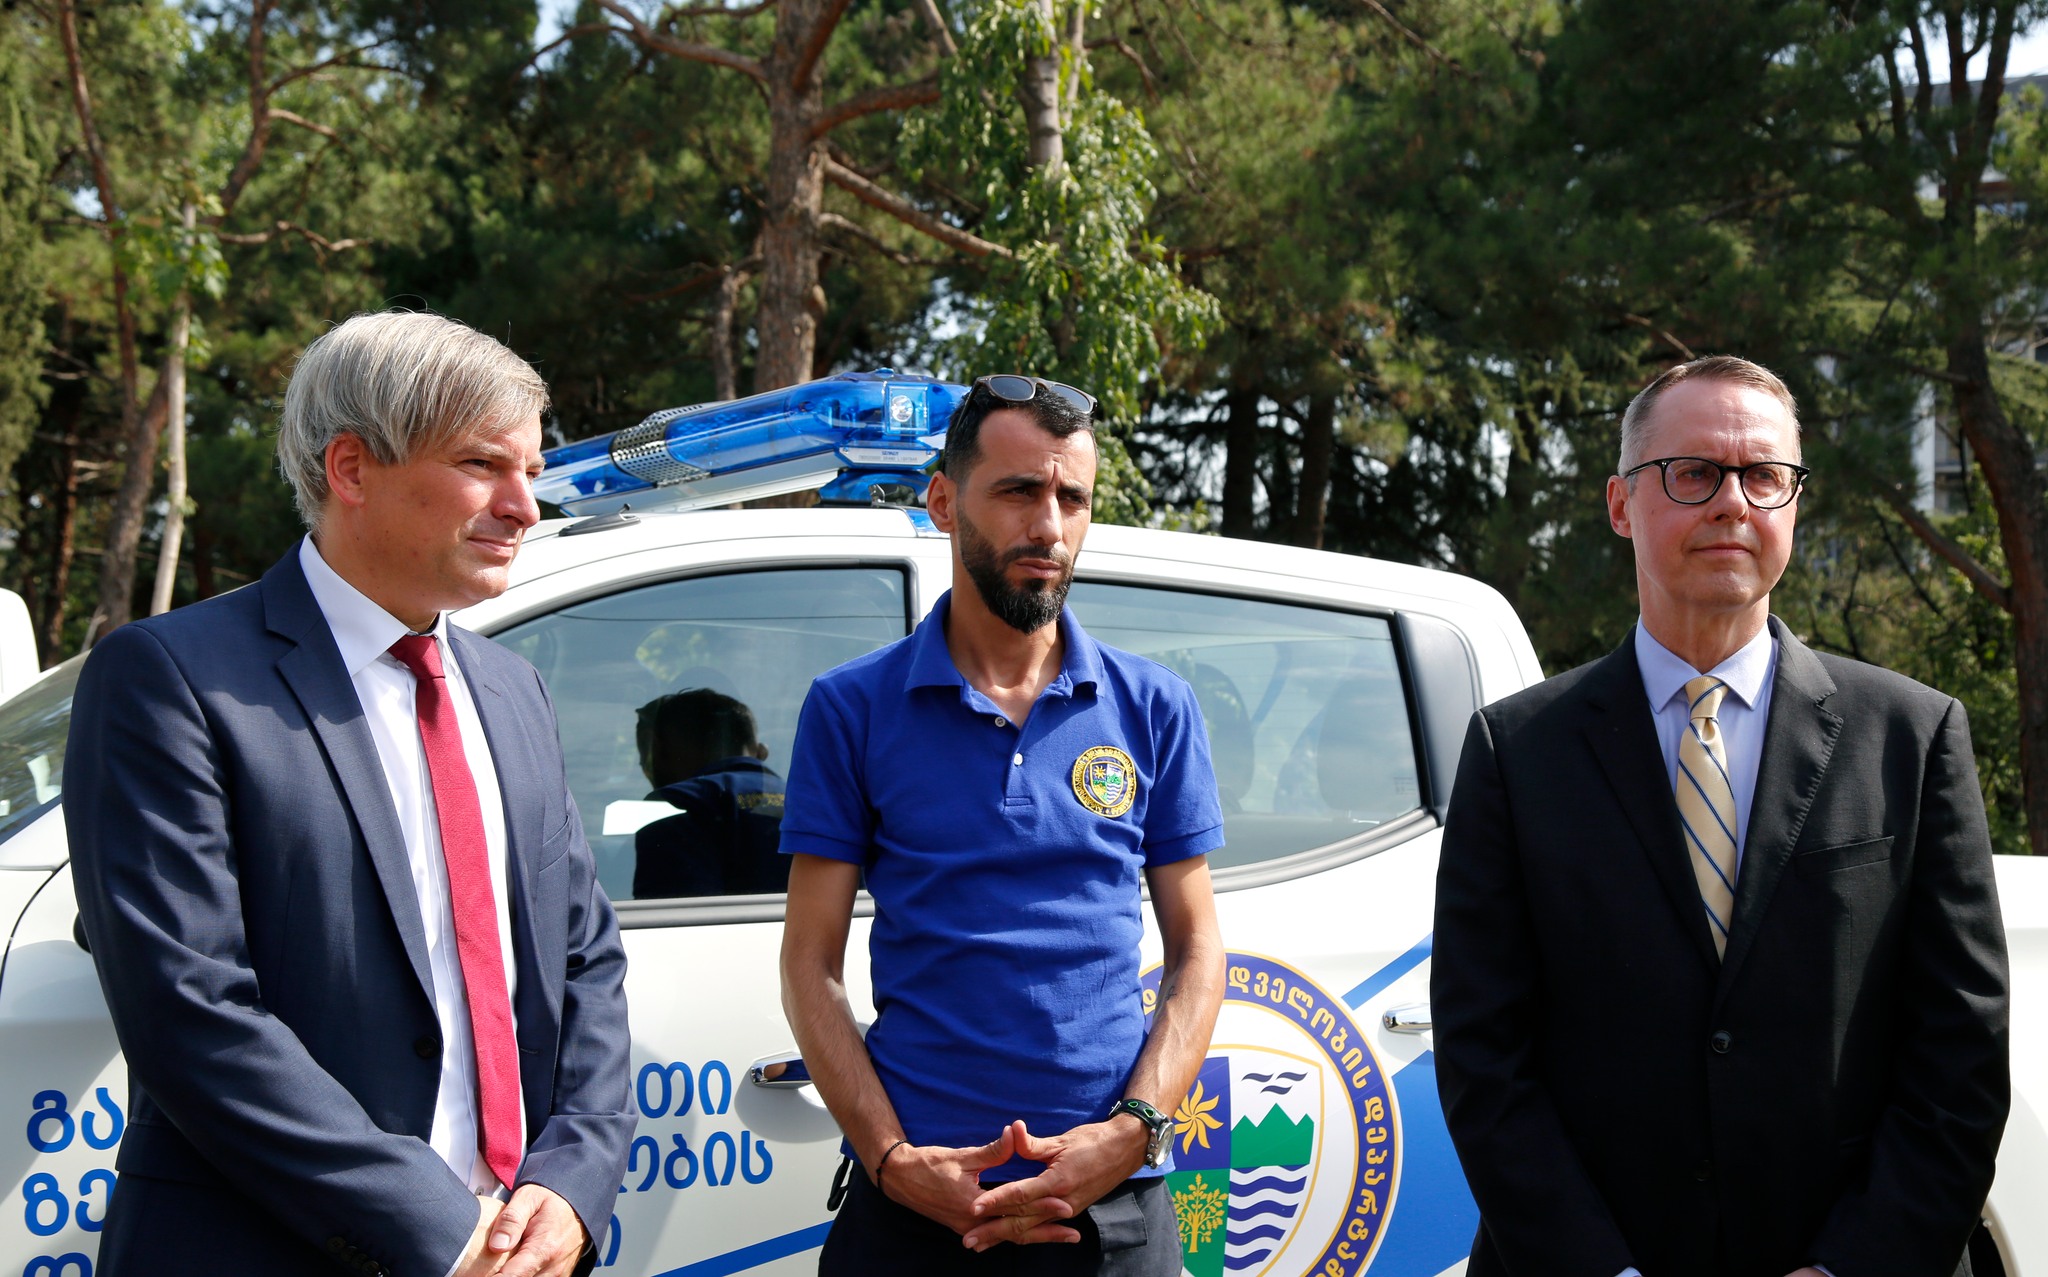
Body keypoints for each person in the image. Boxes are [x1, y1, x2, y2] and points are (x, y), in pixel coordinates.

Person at [65, 311, 636, 1277]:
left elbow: (585, 960)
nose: (524, 507)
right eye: (483, 464)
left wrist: (573, 1181)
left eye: (531, 471)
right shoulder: (170, 679)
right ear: (352, 469)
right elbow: (189, 1008)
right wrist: (437, 1228)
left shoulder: (514, 690)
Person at [1431, 355, 2009, 1277]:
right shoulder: (1517, 751)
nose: (1733, 501)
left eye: (1764, 475)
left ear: (1794, 503)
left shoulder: (1912, 735)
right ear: (1621, 503)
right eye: (1694, 472)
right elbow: (1482, 1054)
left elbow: (1961, 1050)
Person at [778, 375, 1227, 1275]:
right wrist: (891, 1159)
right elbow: (808, 965)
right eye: (1019, 490)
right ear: (944, 502)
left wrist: (1132, 1131)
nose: (1049, 526)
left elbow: (1197, 947)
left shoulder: (1154, 706)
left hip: (1115, 1209)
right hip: (915, 1214)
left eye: (1072, 498)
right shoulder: (850, 708)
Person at [632, 687, 787, 898]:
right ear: (760, 751)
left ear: (657, 750)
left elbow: (671, 913)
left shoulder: (675, 804)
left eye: (644, 759)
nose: (645, 770)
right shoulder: (810, 802)